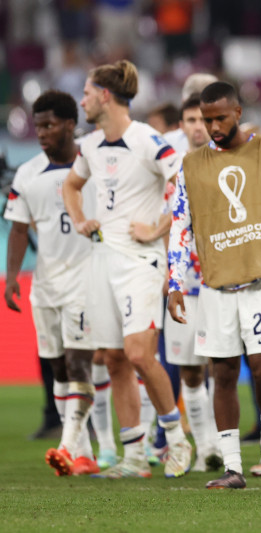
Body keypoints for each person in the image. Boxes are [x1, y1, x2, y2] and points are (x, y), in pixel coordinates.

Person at [167, 81, 261, 489]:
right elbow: (180, 226)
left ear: (238, 112)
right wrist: (174, 282)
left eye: (220, 117)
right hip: (216, 285)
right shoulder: (190, 164)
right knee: (222, 374)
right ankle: (233, 467)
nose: (213, 125)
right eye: (206, 119)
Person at [62, 59, 193, 479]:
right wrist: (80, 219)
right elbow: (71, 185)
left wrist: (158, 226)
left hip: (142, 261)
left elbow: (186, 185)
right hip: (103, 258)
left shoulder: (149, 141)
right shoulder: (90, 146)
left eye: (85, 93)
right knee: (114, 359)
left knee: (138, 353)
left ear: (104, 96)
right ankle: (134, 456)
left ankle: (176, 438)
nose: (81, 100)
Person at [4, 90, 98, 476]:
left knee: (79, 363)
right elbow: (19, 229)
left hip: (88, 280)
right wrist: (12, 277)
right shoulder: (27, 173)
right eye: (38, 125)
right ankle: (84, 455)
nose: (41, 132)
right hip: (45, 285)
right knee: (59, 367)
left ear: (70, 124)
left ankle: (66, 446)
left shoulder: (93, 163)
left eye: (49, 124)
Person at [161, 95, 222, 472]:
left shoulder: (231, 164)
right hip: (184, 283)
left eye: (204, 119)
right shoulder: (170, 169)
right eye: (190, 120)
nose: (198, 126)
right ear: (180, 126)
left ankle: (225, 444)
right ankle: (206, 449)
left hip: (223, 283)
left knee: (223, 365)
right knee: (190, 370)